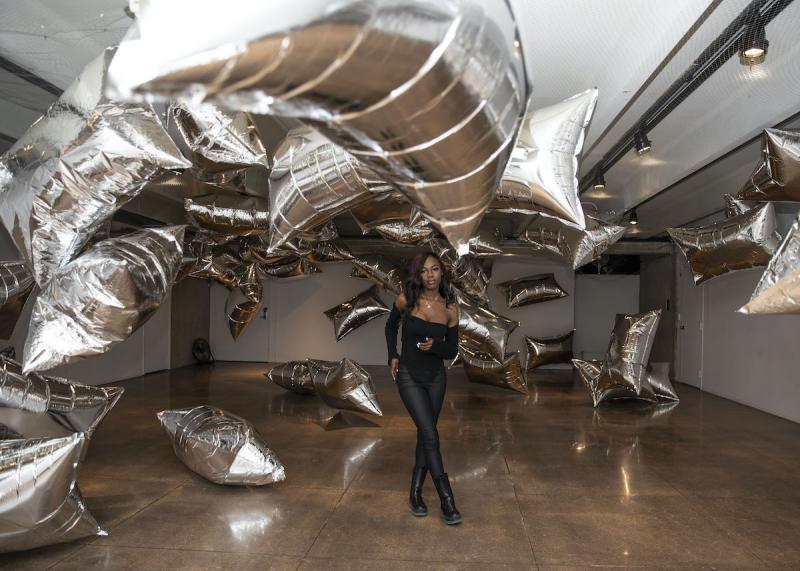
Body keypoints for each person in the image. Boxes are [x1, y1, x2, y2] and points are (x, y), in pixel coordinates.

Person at [385, 251, 461, 525]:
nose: (430, 275)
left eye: (435, 269)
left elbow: (451, 350)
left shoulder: (450, 309)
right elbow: (391, 326)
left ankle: (415, 493)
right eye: (425, 271)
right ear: (417, 275)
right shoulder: (407, 299)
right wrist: (392, 355)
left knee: (425, 434)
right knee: (430, 433)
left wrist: (436, 347)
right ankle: (446, 499)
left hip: (436, 379)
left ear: (442, 273)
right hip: (409, 375)